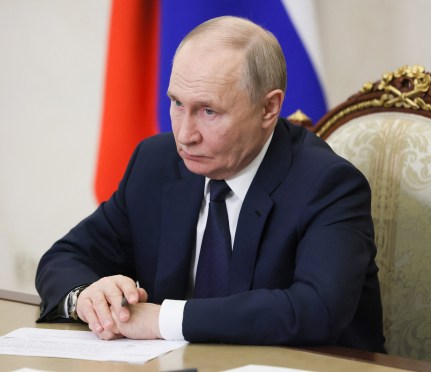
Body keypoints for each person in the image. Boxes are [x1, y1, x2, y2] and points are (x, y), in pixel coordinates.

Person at [35, 15, 385, 352]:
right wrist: (88, 296)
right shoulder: (156, 164)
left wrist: (162, 320)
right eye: (176, 103)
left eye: (209, 111)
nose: (185, 135)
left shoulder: (328, 185)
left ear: (269, 108)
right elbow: (66, 257)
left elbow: (315, 310)